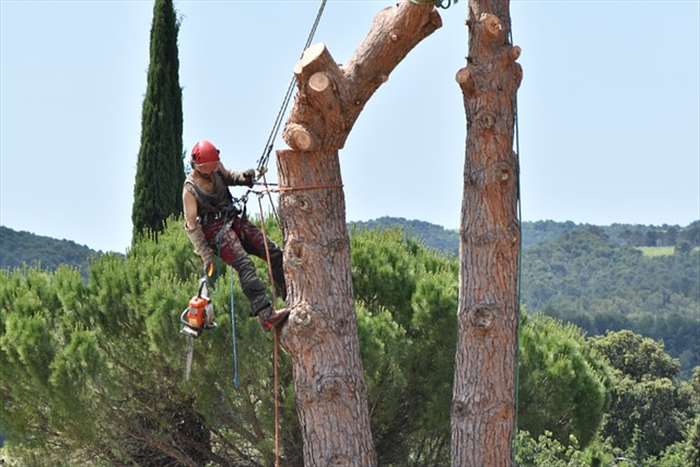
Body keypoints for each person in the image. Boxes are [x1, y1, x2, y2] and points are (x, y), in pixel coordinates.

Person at [182, 139, 288, 330]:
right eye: (210, 166)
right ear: (199, 166)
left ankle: (289, 295)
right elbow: (191, 226)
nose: (215, 168)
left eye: (216, 164)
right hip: (216, 232)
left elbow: (230, 177)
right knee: (244, 265)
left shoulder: (216, 168)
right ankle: (266, 315)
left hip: (233, 219)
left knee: (273, 252)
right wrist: (206, 255)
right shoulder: (190, 191)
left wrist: (245, 177)